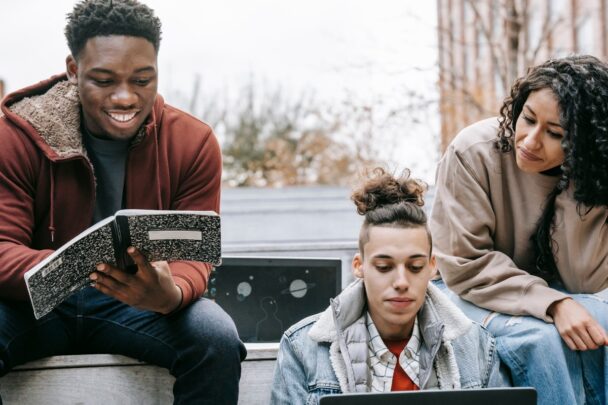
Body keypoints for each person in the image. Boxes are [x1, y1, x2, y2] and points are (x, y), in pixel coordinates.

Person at [0, 1, 246, 404]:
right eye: (103, 80)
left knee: (214, 336)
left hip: (135, 304)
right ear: (74, 70)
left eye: (142, 80)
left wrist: (171, 293)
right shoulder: (15, 137)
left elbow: (196, 251)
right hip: (31, 306)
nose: (125, 97)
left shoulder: (192, 142)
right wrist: (74, 269)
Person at [430, 54, 608, 405]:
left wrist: (576, 187)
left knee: (598, 325)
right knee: (540, 342)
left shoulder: (591, 174)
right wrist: (553, 304)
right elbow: (465, 265)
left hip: (564, 295)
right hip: (469, 292)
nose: (529, 141)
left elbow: (586, 281)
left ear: (583, 145)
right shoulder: (473, 152)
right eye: (527, 119)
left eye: (555, 133)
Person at [270, 167, 508, 404]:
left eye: (415, 267)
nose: (401, 282)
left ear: (431, 267)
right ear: (359, 266)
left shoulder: (477, 345)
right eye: (384, 267)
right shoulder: (302, 347)